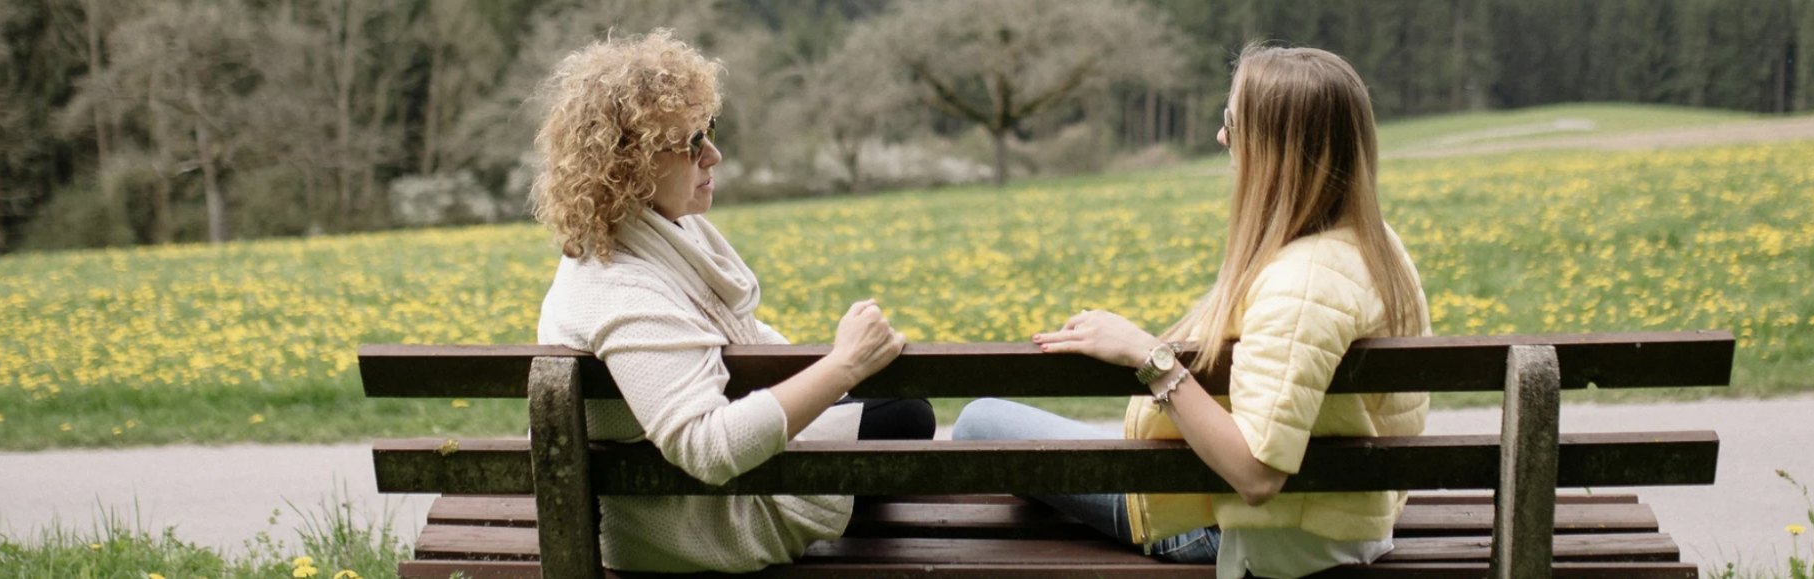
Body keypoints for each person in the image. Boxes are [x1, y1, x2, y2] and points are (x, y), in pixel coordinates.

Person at [950, 44, 1432, 579]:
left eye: (1232, 122)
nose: (1222, 137)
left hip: (1245, 531)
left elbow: (1256, 475)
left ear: (1275, 148)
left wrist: (1149, 358)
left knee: (979, 422)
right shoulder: (1374, 245)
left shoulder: (1298, 288)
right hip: (1343, 517)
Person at [528, 31, 934, 573]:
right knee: (906, 415)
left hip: (680, 516)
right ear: (630, 166)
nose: (713, 155)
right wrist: (845, 365)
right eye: (692, 144)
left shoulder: (635, 245)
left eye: (708, 132)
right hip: (699, 537)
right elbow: (707, 447)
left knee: (890, 411)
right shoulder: (621, 290)